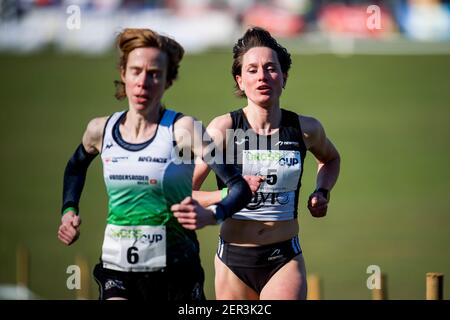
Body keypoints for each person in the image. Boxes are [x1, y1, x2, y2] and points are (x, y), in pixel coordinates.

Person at [57, 28, 252, 300]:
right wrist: (69, 209)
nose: (143, 82)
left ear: (168, 81)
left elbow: (239, 187)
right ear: (123, 73)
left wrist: (212, 215)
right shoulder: (100, 130)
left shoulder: (184, 130)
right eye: (136, 71)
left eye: (155, 74)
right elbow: (76, 165)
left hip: (176, 271)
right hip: (118, 268)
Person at [178, 27, 341, 300]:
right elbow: (182, 191)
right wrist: (228, 194)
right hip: (233, 260)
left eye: (270, 68)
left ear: (284, 77)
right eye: (252, 70)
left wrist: (322, 191)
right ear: (240, 81)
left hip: (283, 259)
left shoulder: (306, 128)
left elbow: (331, 158)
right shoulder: (222, 128)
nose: (262, 76)